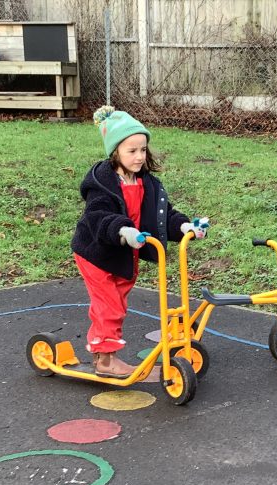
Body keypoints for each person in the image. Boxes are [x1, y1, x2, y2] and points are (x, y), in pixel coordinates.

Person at [71, 106, 210, 378]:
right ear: (115, 153)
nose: (139, 157)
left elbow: (162, 215)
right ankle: (105, 361)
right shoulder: (103, 183)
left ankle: (102, 351)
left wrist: (184, 226)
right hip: (97, 253)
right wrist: (123, 230)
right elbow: (99, 215)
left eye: (143, 150)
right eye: (131, 151)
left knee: (116, 304)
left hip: (124, 255)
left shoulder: (147, 183)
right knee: (108, 304)